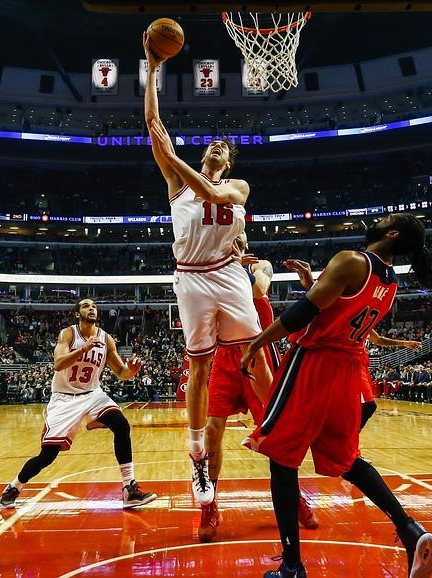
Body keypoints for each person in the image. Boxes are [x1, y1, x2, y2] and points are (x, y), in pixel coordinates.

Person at [241, 214, 432, 578]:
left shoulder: (352, 260)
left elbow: (305, 312)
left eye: (386, 219)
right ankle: (409, 529)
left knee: (281, 457)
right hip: (347, 373)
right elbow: (339, 304)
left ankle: (292, 567)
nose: (377, 219)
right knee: (348, 459)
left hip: (314, 362)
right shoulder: (389, 280)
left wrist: (257, 342)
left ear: (391, 234)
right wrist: (311, 281)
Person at [143, 34, 272, 506]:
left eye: (224, 145)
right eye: (213, 144)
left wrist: (176, 157)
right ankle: (197, 455)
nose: (218, 145)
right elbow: (154, 123)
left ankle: (274, 424)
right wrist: (152, 69)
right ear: (203, 156)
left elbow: (218, 197)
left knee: (254, 352)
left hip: (228, 273)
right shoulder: (176, 182)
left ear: (228, 161)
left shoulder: (238, 185)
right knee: (198, 364)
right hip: (192, 276)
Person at [199, 235, 317, 542]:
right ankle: (209, 505)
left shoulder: (259, 265)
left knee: (274, 433)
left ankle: (294, 498)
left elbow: (258, 289)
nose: (232, 241)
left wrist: (239, 270)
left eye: (237, 238)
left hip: (258, 352)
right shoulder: (211, 269)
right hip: (224, 357)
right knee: (212, 429)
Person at [0, 299, 156, 510]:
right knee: (47, 455)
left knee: (121, 424)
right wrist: (83, 349)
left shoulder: (106, 339)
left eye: (94, 306)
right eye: (85, 306)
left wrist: (132, 371)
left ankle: (129, 488)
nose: (91, 308)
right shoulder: (68, 334)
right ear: (77, 313)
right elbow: (58, 364)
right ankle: (14, 486)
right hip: (64, 399)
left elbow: (122, 373)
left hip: (92, 394)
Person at [286, 258, 421, 430]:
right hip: (342, 357)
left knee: (361, 407)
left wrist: (404, 343)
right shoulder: (350, 304)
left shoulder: (364, 314)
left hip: (356, 361)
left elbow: (378, 339)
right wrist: (311, 284)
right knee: (361, 406)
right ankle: (341, 445)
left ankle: (345, 447)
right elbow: (329, 301)